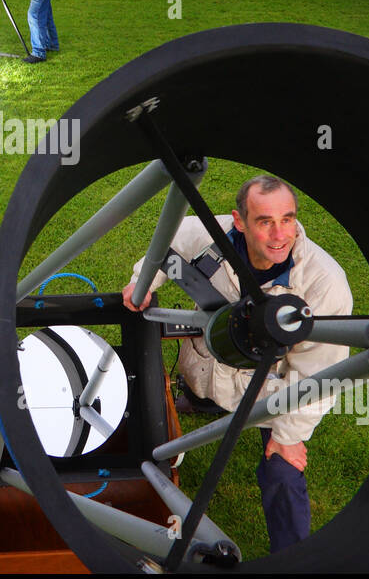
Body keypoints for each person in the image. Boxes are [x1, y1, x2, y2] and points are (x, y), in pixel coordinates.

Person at [121, 175, 353, 553]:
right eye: (265, 222)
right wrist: (142, 281)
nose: (280, 235)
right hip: (205, 370)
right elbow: (168, 245)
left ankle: (292, 560)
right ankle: (200, 401)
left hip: (268, 394)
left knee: (283, 468)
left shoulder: (325, 285)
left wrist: (286, 437)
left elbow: (318, 379)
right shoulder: (205, 235)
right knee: (200, 395)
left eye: (288, 219)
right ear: (238, 221)